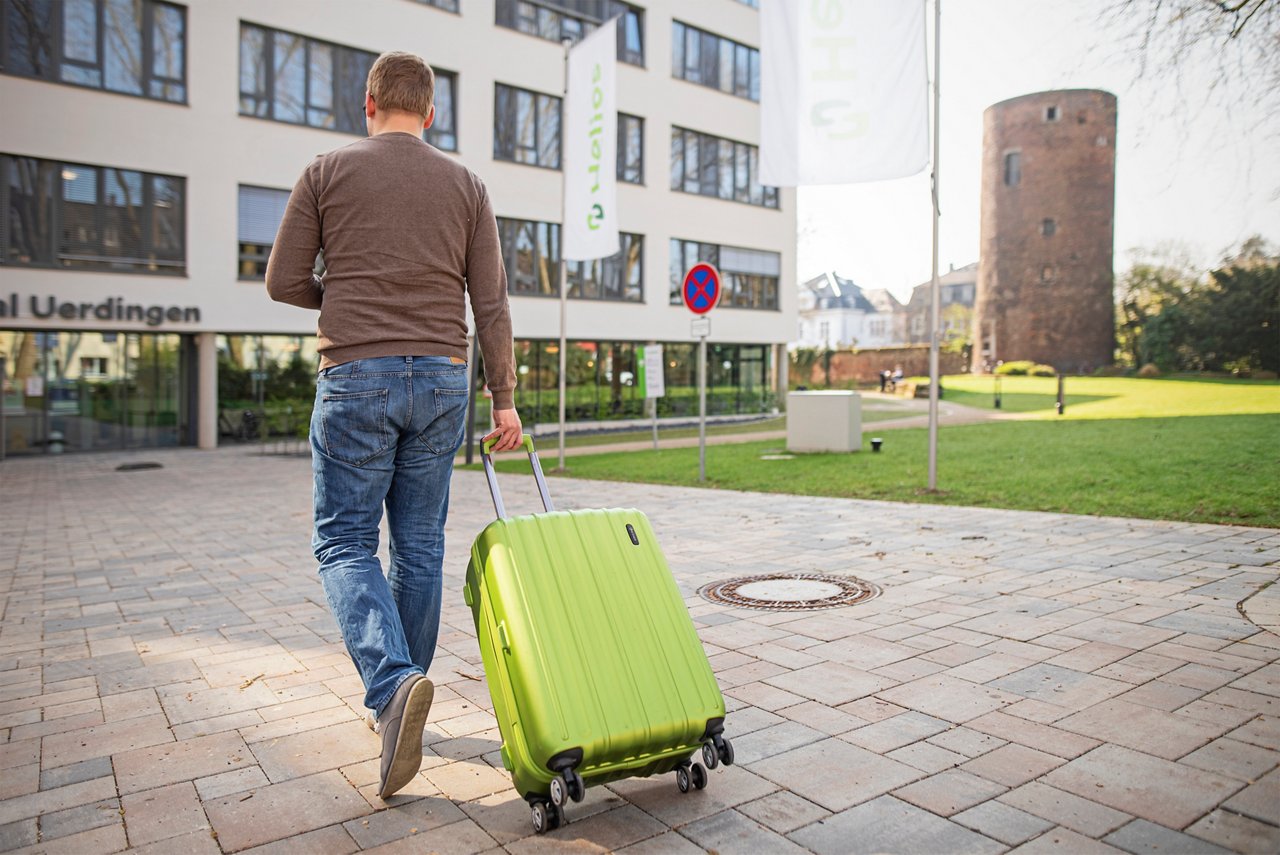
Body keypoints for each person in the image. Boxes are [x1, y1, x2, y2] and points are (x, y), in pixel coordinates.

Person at [266, 51, 521, 800]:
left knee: (344, 539)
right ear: (430, 113)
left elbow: (283, 279)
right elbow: (493, 303)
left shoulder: (325, 171)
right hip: (444, 374)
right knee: (418, 543)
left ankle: (391, 685)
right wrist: (502, 396)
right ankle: (401, 695)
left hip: (356, 374)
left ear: (368, 102)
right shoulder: (467, 184)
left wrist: (345, 296)